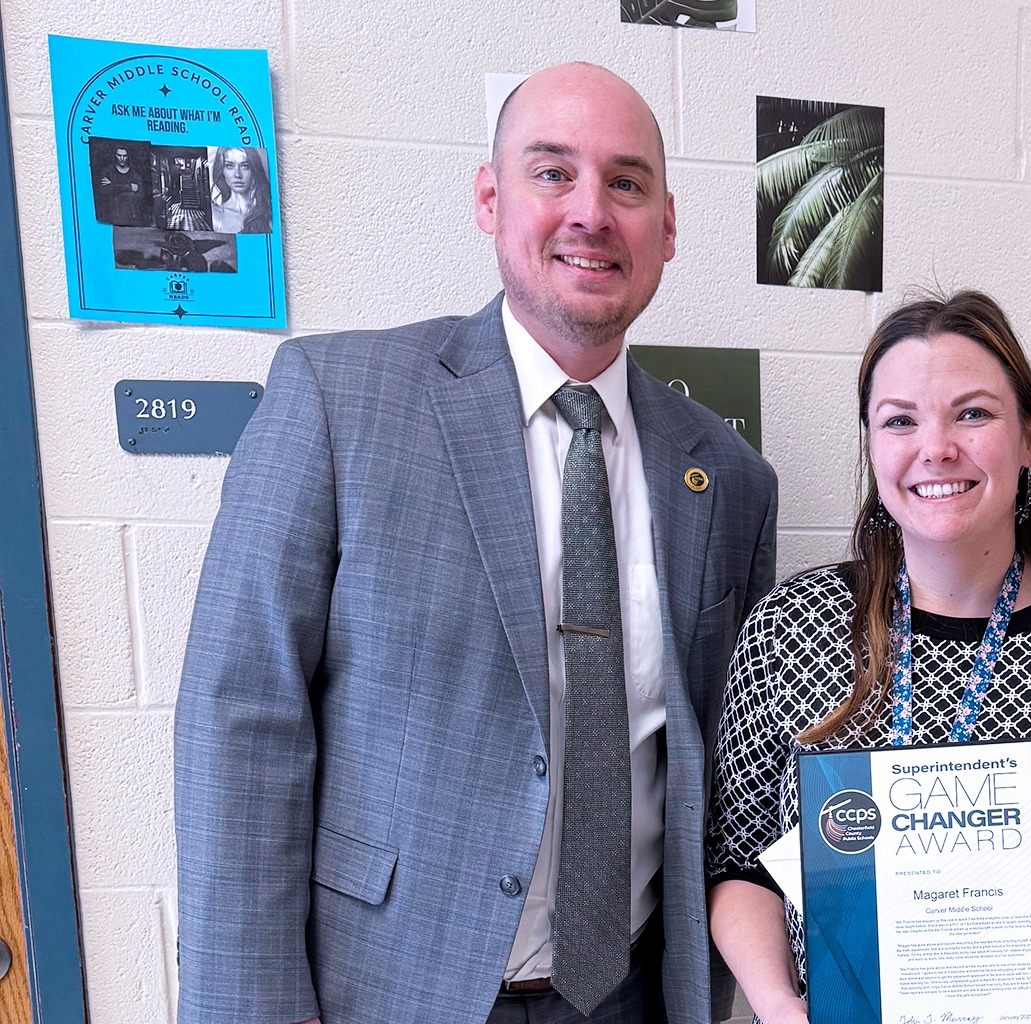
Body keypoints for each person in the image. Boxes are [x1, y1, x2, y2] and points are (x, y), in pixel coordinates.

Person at [174, 62, 777, 1024]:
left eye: (627, 183)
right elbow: (242, 720)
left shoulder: (730, 478)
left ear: (667, 227)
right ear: (490, 199)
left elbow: (730, 766)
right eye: (551, 173)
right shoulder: (338, 400)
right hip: (387, 992)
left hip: (629, 1000)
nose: (591, 211)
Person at [706, 291, 1031, 1024]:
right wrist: (779, 1008)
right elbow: (739, 859)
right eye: (900, 420)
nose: (935, 447)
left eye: (973, 413)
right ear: (872, 445)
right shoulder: (791, 627)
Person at [208, 146, 272, 234]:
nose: (237, 174)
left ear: (254, 169)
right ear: (222, 171)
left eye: (245, 166)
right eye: (229, 166)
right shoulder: (215, 216)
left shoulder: (267, 213)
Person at [94, 143, 148, 226]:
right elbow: (103, 191)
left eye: (125, 156)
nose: (122, 158)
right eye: (119, 155)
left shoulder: (135, 174)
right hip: (112, 218)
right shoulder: (108, 172)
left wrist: (113, 186)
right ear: (115, 155)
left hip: (133, 219)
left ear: (128, 156)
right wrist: (129, 187)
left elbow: (141, 195)